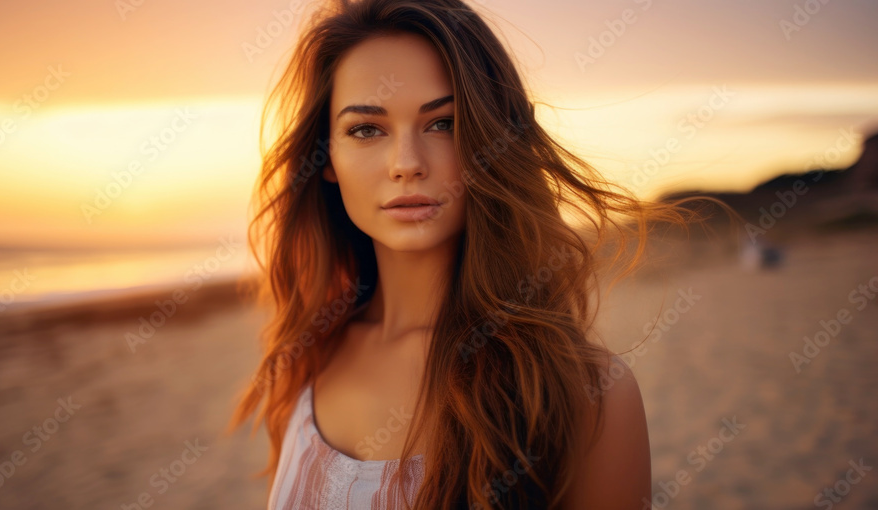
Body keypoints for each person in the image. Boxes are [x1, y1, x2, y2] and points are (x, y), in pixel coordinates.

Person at [228, 0, 716, 508]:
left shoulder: (589, 396)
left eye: (443, 123)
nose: (406, 164)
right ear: (325, 157)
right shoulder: (305, 358)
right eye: (367, 129)